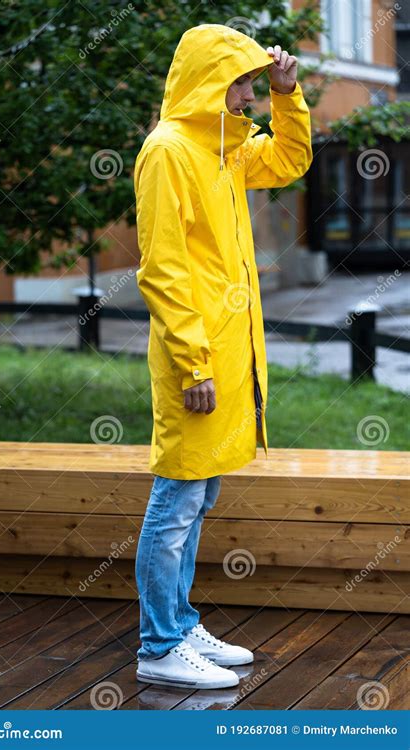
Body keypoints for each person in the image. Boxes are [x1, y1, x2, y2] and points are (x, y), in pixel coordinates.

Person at [133, 23, 313, 689]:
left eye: (250, 84)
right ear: (209, 82)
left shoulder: (226, 149)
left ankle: (179, 624)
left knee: (200, 496)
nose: (248, 96)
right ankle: (158, 646)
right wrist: (193, 363)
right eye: (239, 83)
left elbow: (291, 161)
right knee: (177, 497)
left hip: (229, 355)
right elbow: (163, 269)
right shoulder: (169, 151)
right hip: (198, 360)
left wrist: (288, 93)